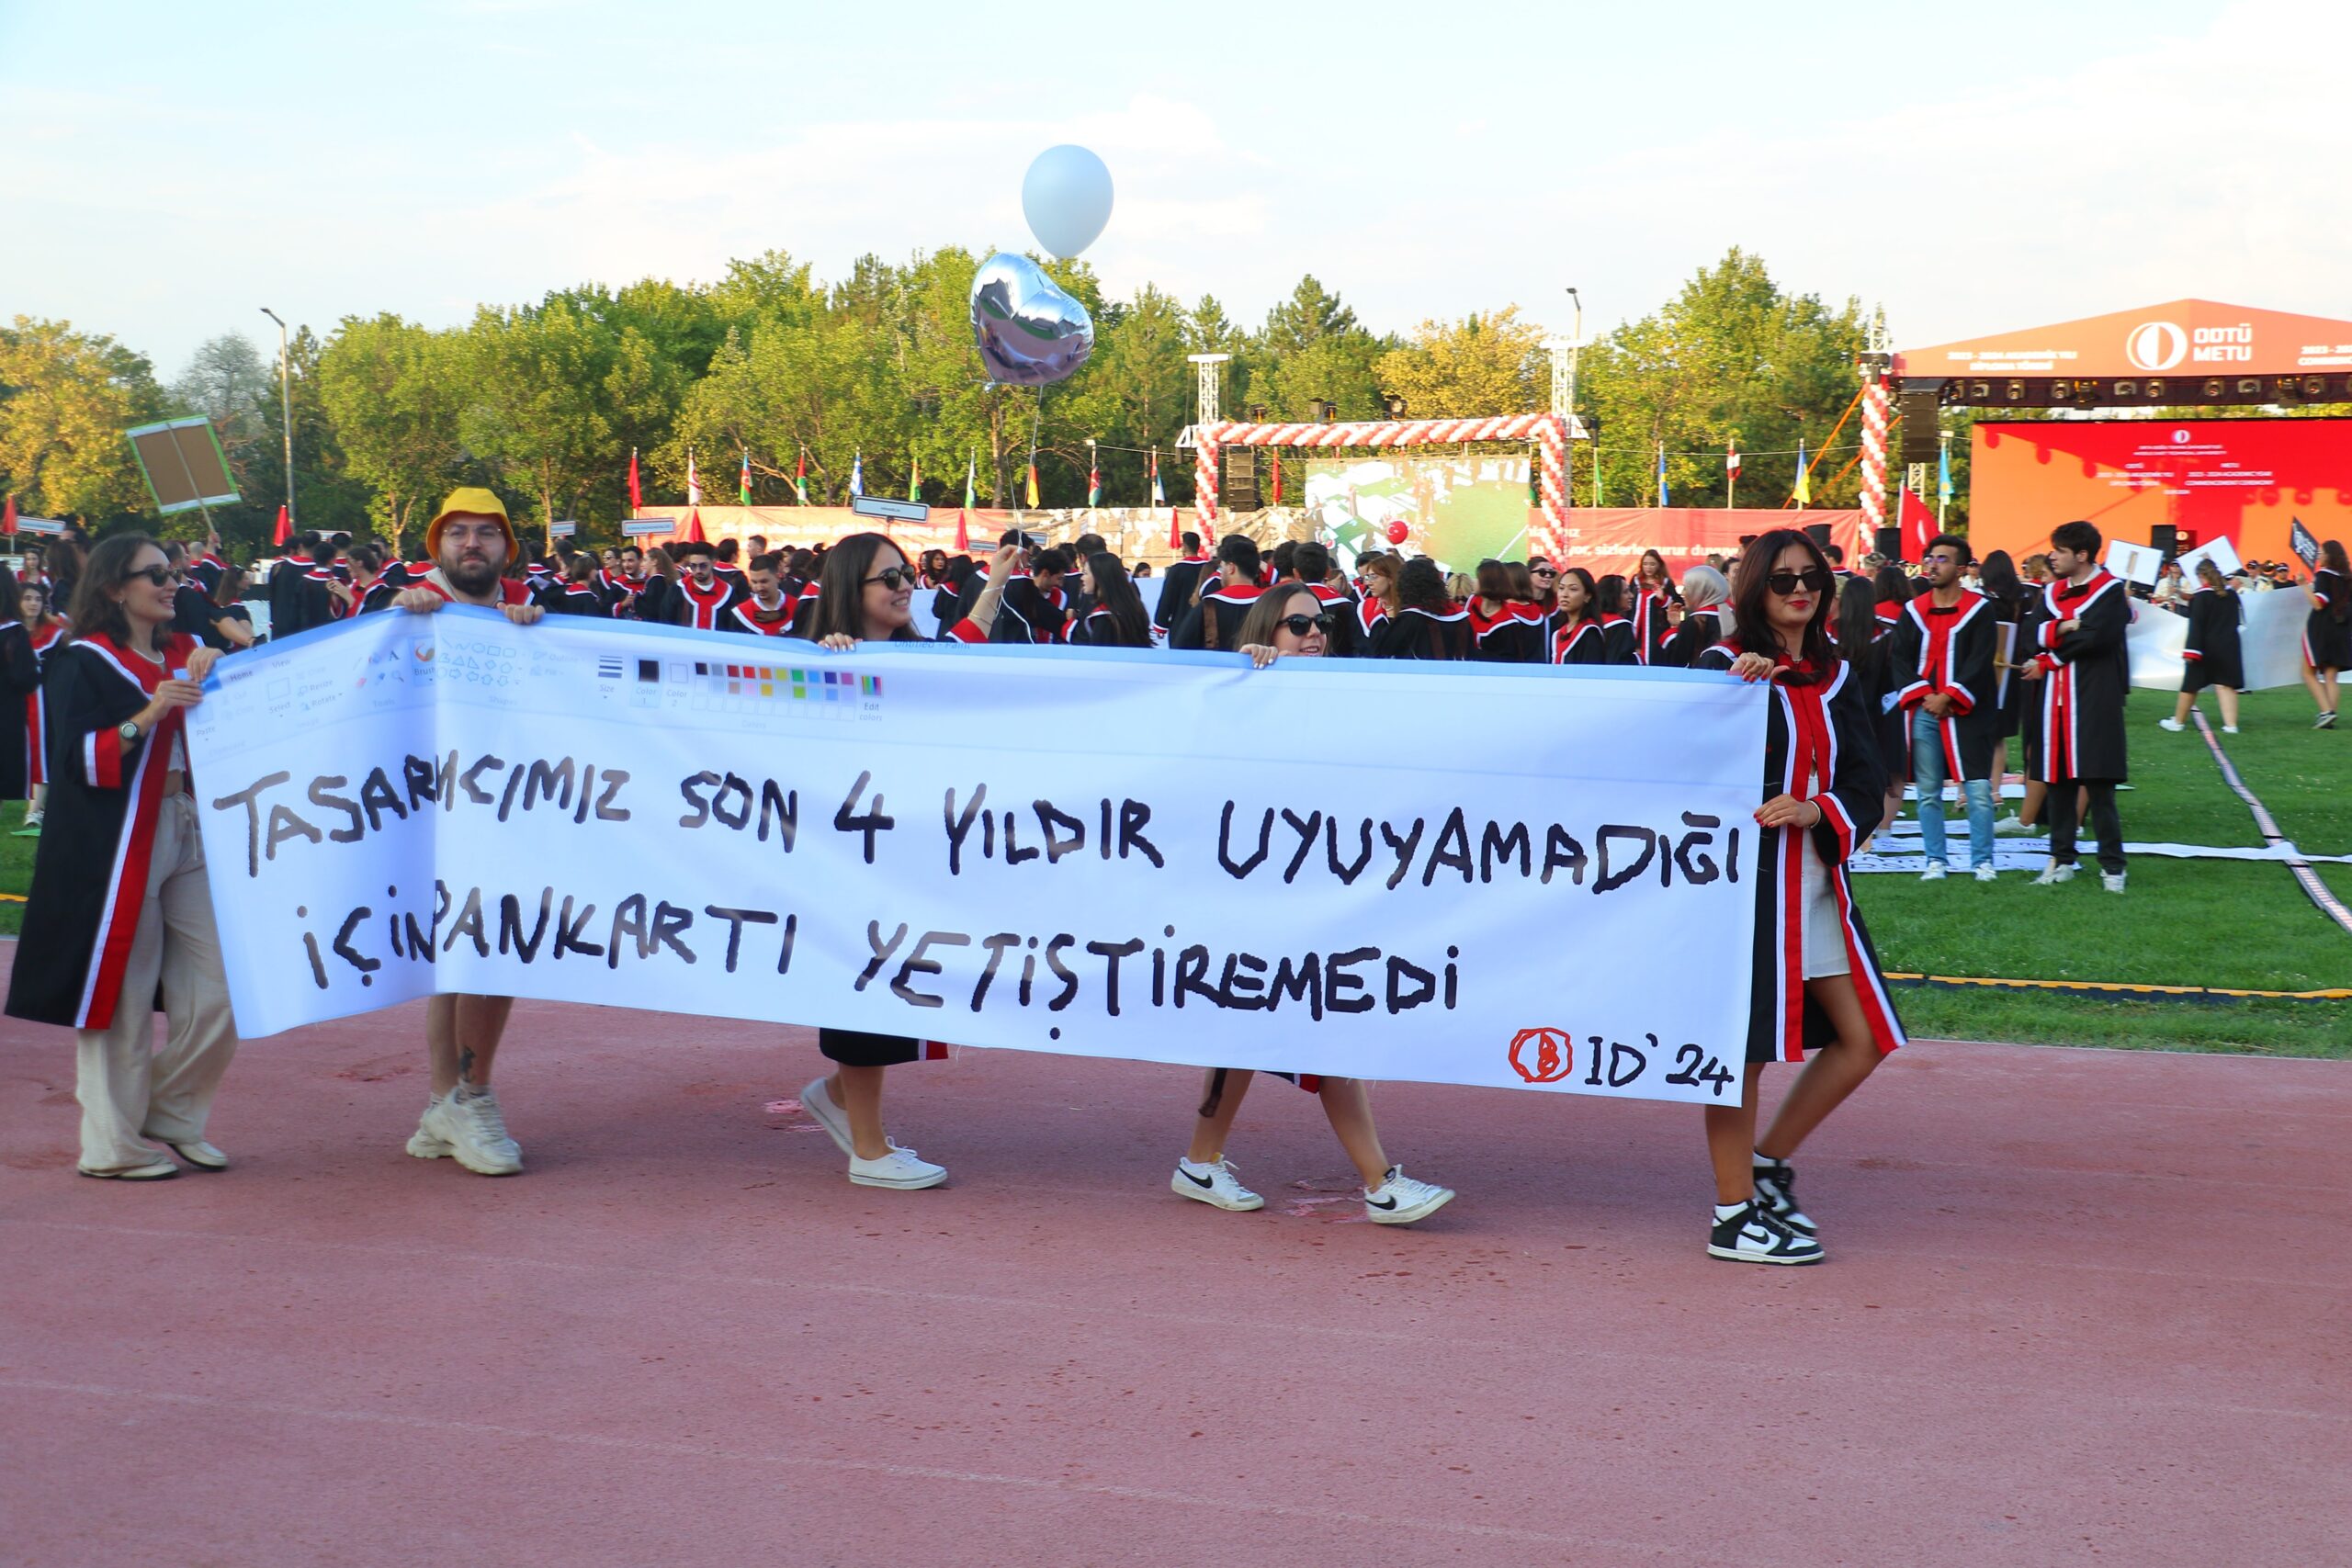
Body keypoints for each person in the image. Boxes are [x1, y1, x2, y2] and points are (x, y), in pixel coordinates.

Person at [1168, 582, 1456, 1224]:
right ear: (1267, 631)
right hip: (1259, 897)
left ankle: (1201, 1159)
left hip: (1314, 896)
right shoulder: (1243, 691)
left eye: (1321, 622)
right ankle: (1379, 1181)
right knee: (1319, 1029)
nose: (1314, 632)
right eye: (1296, 624)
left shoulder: (1343, 697)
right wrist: (1238, 676)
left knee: (1262, 1026)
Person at [1697, 528, 1905, 1264]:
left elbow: (1866, 778)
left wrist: (1817, 810)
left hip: (1816, 883)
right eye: (1783, 578)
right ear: (1754, 587)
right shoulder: (1722, 669)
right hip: (1744, 890)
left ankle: (1765, 1164)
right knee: (1740, 1054)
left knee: (1868, 1037)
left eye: (1811, 577)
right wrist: (1732, 700)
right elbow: (1686, 775)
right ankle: (1732, 1215)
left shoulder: (1839, 675)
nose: (1798, 589)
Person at [5, 535, 239, 1179]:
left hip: (190, 826)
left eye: (175, 571)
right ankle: (110, 1143)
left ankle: (171, 1108)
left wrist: (223, 660)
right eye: (156, 574)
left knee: (230, 983)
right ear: (115, 588)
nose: (172, 582)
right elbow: (75, 761)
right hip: (118, 840)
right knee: (124, 994)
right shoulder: (83, 660)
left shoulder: (185, 652)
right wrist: (151, 710)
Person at [786, 533, 949, 1190]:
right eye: (888, 578)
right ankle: (869, 1149)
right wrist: (824, 670)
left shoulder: (930, 661)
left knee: (899, 989)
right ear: (851, 591)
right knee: (865, 987)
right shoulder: (818, 666)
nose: (905, 584)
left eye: (907, 572)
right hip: (848, 856)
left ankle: (835, 1094)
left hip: (911, 853)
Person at [390, 490, 546, 1175]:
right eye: (460, 534)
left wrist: (540, 632)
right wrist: (397, 620)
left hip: (513, 802)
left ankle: (448, 1103)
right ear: (438, 546)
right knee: (474, 953)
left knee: (477, 952)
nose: (473, 544)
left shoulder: (531, 611)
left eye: (488, 533)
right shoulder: (402, 607)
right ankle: (466, 1097)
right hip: (426, 807)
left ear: (507, 548)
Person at [2019, 519, 2131, 892]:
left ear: (2081, 555)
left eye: (2060, 552)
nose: (2052, 557)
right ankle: (2061, 859)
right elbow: (2029, 632)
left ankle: (2113, 867)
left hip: (2092, 699)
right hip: (2054, 704)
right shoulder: (2052, 593)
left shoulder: (2110, 591)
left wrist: (2049, 659)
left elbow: (2098, 638)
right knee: (2058, 784)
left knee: (2099, 788)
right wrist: (2063, 627)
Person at [1890, 534, 1999, 882]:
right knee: (1927, 792)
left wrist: (1949, 695)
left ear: (1962, 568)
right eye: (1930, 558)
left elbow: (1981, 661)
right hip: (1924, 711)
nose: (1933, 565)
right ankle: (1936, 860)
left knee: (1979, 790)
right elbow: (1900, 659)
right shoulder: (1913, 611)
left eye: (1943, 559)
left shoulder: (1980, 609)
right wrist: (1926, 695)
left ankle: (1982, 861)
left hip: (1966, 712)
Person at [1976, 550, 2041, 838]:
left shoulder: (1985, 600)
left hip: (1991, 669)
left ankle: (1979, 789)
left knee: (1981, 732)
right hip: (2015, 672)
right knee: (1998, 734)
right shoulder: (2024, 598)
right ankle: (1995, 790)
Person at [2164, 558, 2244, 735]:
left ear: (2201, 576)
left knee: (2190, 685)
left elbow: (2196, 627)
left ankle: (2178, 722)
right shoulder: (2231, 595)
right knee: (2226, 685)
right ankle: (2231, 725)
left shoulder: (2202, 597)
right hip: (2229, 645)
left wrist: (2191, 651)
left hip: (2205, 648)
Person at [15, 580, 67, 833]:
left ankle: (35, 809)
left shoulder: (55, 634)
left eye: (37, 599)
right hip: (14, 700)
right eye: (27, 598)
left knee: (41, 750)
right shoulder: (10, 632)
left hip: (44, 700)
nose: (33, 604)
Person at [1170, 536, 1265, 651]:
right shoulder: (1272, 603)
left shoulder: (1207, 606)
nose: (1220, 572)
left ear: (1231, 568)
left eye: (1221, 566)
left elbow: (1180, 648)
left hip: (1218, 668)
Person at [1370, 558, 1471, 660]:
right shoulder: (1460, 616)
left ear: (1405, 586)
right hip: (1457, 673)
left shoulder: (1409, 618)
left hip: (1420, 674)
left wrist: (1381, 617)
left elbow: (1381, 651)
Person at [2301, 539, 2348, 728]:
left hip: (2322, 629)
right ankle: (2330, 715)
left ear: (2329, 555)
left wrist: (2303, 584)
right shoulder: (2346, 577)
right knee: (2331, 676)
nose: (2318, 556)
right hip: (2342, 629)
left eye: (2321, 553)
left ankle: (2326, 711)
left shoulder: (2323, 575)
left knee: (2307, 672)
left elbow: (2318, 603)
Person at [990, 546, 1073, 644]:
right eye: (1059, 578)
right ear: (1045, 573)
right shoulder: (1019, 590)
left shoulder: (1060, 596)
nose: (1061, 584)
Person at [1069, 553, 1154, 648]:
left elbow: (1100, 655)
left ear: (1099, 577)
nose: (1082, 578)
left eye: (1085, 573)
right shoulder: (1132, 606)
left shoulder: (1105, 617)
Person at [1468, 559, 1543, 663]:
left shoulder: (1507, 624)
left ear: (1487, 582)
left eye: (1478, 578)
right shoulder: (1473, 602)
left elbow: (1507, 662)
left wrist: (1473, 653)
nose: (1474, 581)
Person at [667, 538, 749, 629]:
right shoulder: (678, 589)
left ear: (713, 563)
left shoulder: (728, 593)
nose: (698, 571)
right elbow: (666, 623)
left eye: (703, 566)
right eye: (693, 566)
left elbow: (732, 627)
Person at [1659, 565, 1730, 668]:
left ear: (1700, 590)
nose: (1683, 593)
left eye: (1686, 588)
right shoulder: (1732, 616)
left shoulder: (1694, 621)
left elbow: (1675, 663)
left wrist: (1674, 629)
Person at [723, 553, 797, 635]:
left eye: (764, 581)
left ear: (777, 577)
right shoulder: (741, 614)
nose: (759, 588)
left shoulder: (797, 608)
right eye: (754, 582)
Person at [1155, 532, 1211, 638]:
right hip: (1205, 625)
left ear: (1184, 546)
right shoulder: (1209, 568)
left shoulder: (1176, 570)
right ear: (1198, 546)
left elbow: (1167, 598)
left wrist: (1160, 625)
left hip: (1180, 624)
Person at [1631, 548, 1680, 665]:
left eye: (1652, 564)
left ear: (1659, 565)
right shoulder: (1636, 581)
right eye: (1645, 564)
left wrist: (1663, 598)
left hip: (1656, 629)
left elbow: (1677, 603)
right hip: (1636, 626)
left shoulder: (1666, 583)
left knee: (1654, 658)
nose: (1648, 567)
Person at [1549, 568, 1605, 665]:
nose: (1564, 594)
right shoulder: (1558, 633)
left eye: (1573, 589)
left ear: (1587, 596)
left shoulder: (1590, 632)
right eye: (1561, 588)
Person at [1592, 575, 1639, 664]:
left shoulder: (1591, 622)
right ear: (1612, 596)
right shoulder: (1621, 626)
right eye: (1626, 592)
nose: (1631, 596)